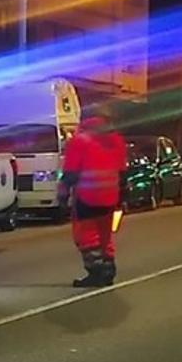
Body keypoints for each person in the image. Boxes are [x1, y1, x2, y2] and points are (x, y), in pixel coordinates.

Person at [57, 111, 127, 287]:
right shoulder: (116, 140)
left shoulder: (79, 141)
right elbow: (122, 171)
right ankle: (109, 268)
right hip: (110, 196)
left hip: (87, 196)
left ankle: (96, 272)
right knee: (105, 234)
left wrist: (63, 196)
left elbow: (71, 173)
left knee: (86, 235)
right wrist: (123, 195)